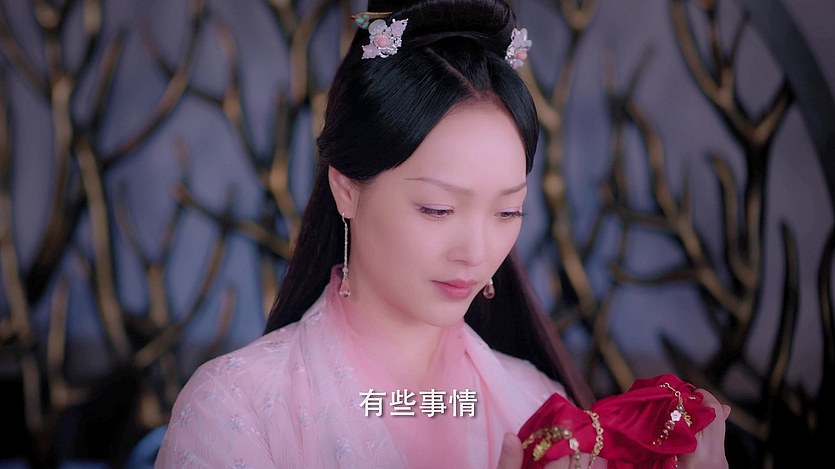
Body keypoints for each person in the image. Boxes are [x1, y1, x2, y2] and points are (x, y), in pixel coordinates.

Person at [154, 0, 730, 467]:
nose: (477, 252)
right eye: (437, 209)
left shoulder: (537, 406)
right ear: (347, 189)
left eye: (507, 212)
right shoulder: (236, 407)